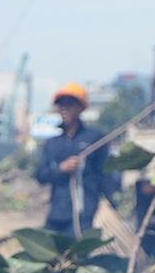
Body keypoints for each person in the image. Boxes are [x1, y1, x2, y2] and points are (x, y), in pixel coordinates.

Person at [36, 82, 108, 236]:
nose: (64, 108)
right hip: (57, 214)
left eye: (69, 104)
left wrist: (110, 204)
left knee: (79, 257)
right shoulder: (52, 143)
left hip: (84, 215)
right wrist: (61, 169)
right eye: (61, 105)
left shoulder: (95, 138)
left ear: (81, 107)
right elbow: (41, 174)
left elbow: (106, 174)